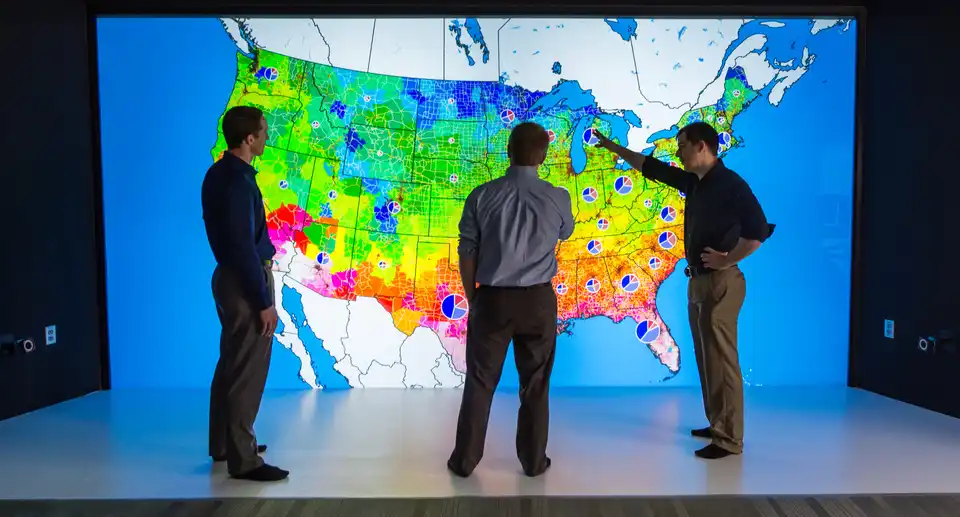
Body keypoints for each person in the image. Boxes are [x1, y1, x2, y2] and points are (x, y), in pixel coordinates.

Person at [593, 122, 774, 459]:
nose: (678, 151)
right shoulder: (696, 183)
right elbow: (653, 168)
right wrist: (615, 149)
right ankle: (718, 423)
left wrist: (727, 260)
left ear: (702, 146)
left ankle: (730, 439)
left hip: (721, 283)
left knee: (723, 361)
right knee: (707, 359)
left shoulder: (731, 184)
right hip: (699, 283)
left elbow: (758, 232)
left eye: (682, 145)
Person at [447, 121, 575, 478]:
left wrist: (474, 297)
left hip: (492, 300)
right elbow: (565, 231)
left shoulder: (481, 195)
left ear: (508, 152)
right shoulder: (558, 196)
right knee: (535, 386)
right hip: (538, 302)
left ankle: (464, 462)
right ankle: (534, 463)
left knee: (480, 382)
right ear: (543, 155)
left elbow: (467, 248)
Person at [201, 105, 288, 481]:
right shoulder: (238, 183)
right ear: (248, 138)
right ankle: (244, 460)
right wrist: (264, 303)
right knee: (245, 372)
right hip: (245, 282)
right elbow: (242, 247)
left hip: (229, 279)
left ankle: (225, 445)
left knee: (231, 365)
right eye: (264, 132)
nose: (267, 137)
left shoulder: (218, 174)